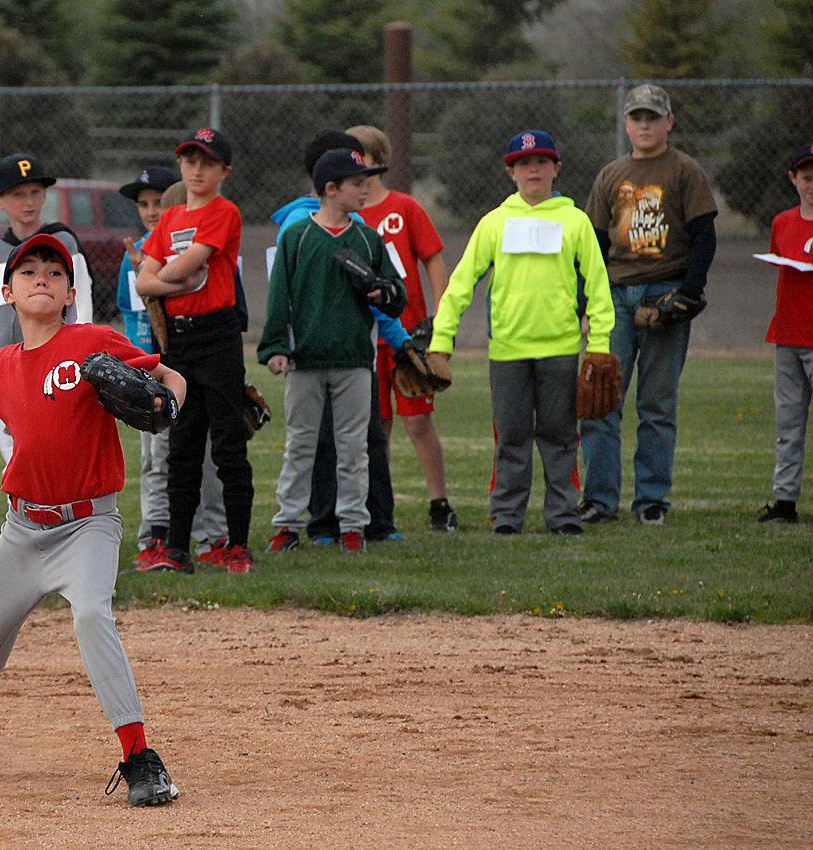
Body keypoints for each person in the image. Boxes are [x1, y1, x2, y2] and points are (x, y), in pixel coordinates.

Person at [0, 233, 185, 807]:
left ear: (71, 292)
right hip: (23, 530)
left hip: (87, 524)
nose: (42, 278)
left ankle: (139, 757)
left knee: (93, 616)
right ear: (7, 292)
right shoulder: (0, 367)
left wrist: (167, 401)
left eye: (54, 271)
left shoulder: (93, 342)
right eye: (29, 272)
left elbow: (169, 376)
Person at [429, 131, 614, 535]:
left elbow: (598, 286)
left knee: (560, 436)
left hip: (560, 348)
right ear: (511, 171)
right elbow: (461, 283)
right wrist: (441, 341)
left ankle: (563, 515)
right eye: (525, 163)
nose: (534, 170)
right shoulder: (495, 223)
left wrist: (598, 345)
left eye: (543, 162)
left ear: (556, 169)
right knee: (511, 437)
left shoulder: (575, 221)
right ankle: (507, 516)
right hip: (508, 351)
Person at [579, 84, 718, 525]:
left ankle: (651, 499)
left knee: (657, 405)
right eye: (637, 117)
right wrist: (588, 303)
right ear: (625, 123)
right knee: (601, 398)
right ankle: (599, 500)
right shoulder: (609, 175)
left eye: (653, 117)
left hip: (665, 292)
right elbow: (595, 244)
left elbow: (704, 236)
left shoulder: (684, 171)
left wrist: (690, 294)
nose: (644, 124)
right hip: (615, 297)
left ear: (669, 123)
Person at [260, 148, 407, 553]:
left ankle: (353, 524)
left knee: (354, 446)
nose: (365, 190)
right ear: (330, 189)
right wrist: (275, 346)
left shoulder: (367, 237)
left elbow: (397, 293)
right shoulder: (297, 235)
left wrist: (385, 291)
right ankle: (288, 522)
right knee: (301, 444)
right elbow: (280, 298)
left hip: (354, 360)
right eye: (357, 184)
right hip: (305, 360)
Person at [134, 128, 255, 574]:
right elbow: (145, 282)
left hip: (217, 335)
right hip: (179, 341)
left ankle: (237, 544)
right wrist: (174, 280)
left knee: (227, 443)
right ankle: (178, 548)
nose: (196, 170)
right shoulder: (169, 218)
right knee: (181, 446)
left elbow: (181, 265)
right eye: (189, 161)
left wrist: (169, 277)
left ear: (224, 171)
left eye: (206, 162)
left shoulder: (224, 212)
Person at [346, 124, 458, 532]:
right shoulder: (346, 213)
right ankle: (380, 503)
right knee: (378, 426)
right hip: (366, 335)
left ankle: (439, 501)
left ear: (377, 161)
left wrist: (439, 320)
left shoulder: (403, 207)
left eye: (359, 157)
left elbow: (432, 259)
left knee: (417, 420)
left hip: (406, 332)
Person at [116, 167, 227, 565]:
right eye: (144, 204)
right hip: (149, 372)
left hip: (189, 363)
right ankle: (155, 536)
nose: (151, 211)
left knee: (201, 454)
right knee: (154, 459)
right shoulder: (133, 259)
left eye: (160, 202)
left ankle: (209, 535)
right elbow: (131, 315)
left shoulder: (199, 248)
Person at [0, 153, 94, 465]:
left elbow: (83, 313)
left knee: (57, 454)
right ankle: (21, 515)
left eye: (35, 193)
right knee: (14, 460)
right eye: (17, 194)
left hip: (56, 368)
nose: (28, 202)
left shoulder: (63, 242)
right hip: (6, 371)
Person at [757, 144, 813, 524]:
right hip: (789, 334)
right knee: (789, 422)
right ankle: (785, 500)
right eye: (807, 178)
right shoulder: (782, 223)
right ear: (794, 180)